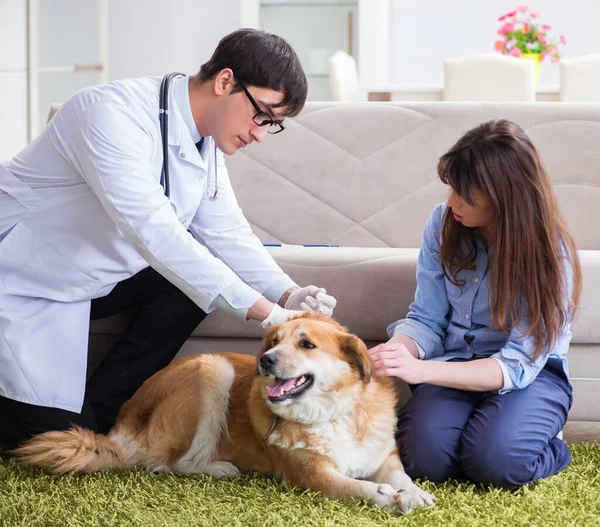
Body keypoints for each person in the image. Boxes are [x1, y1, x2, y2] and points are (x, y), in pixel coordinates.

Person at [0, 28, 336, 451]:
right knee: (50, 440)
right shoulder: (108, 113)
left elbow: (226, 233)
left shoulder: (205, 140)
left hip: (83, 276)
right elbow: (155, 234)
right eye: (262, 115)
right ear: (225, 81)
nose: (260, 134)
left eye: (274, 125)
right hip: (21, 277)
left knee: (192, 287)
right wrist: (267, 314)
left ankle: (108, 408)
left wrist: (289, 293)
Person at [368, 119, 581, 487]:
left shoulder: (550, 253)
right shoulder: (443, 222)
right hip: (456, 363)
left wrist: (421, 372)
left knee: (495, 462)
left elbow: (517, 363)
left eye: (466, 195)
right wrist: (396, 351)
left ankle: (551, 443)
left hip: (529, 376)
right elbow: (427, 317)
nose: (452, 203)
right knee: (423, 460)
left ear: (504, 199)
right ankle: (489, 425)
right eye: (452, 188)